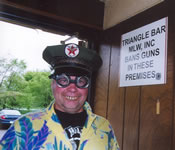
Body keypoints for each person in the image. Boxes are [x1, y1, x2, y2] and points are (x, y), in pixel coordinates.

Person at [0, 43, 120, 150]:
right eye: (64, 80)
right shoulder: (22, 127)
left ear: (87, 87)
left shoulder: (104, 127)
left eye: (81, 81)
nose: (72, 88)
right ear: (53, 84)